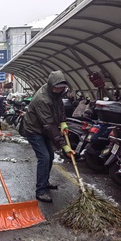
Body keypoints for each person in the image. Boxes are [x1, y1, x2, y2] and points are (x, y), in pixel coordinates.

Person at [21, 71, 74, 203]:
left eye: (62, 87)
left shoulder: (57, 93)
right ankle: (40, 191)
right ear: (51, 85)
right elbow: (49, 126)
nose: (60, 90)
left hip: (45, 129)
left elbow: (60, 108)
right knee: (44, 157)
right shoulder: (42, 99)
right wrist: (65, 146)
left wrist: (63, 122)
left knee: (50, 156)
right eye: (57, 87)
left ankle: (45, 181)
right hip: (34, 130)